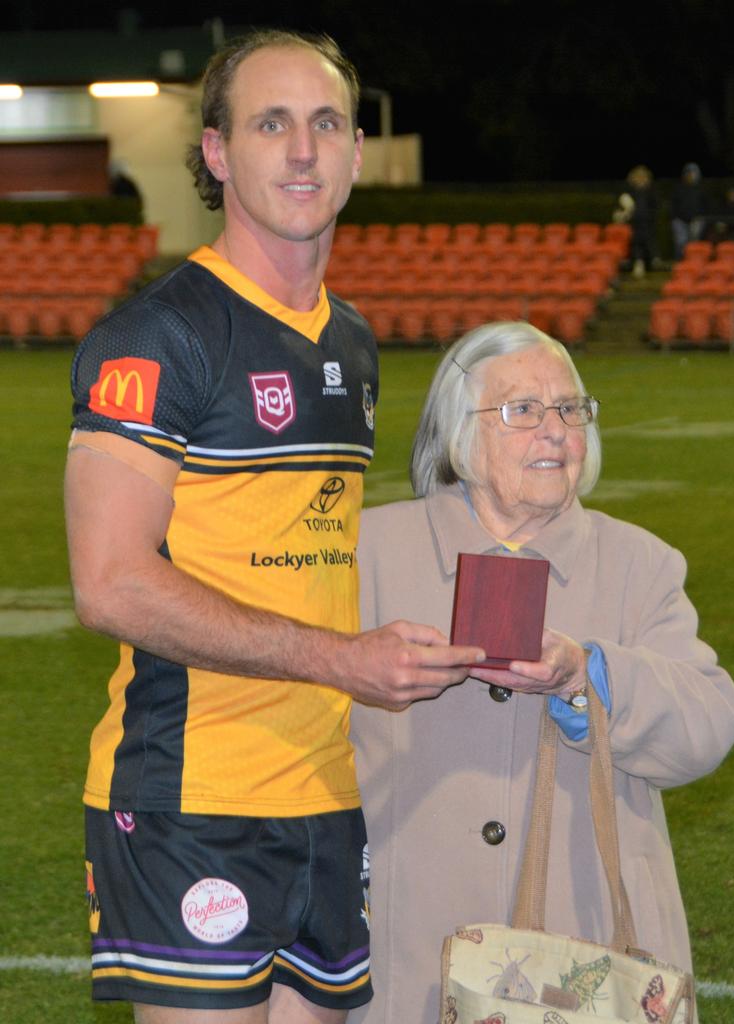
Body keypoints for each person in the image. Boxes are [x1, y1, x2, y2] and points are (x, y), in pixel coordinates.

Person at [65, 28, 484, 1024]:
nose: (303, 149)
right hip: (189, 798)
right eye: (271, 123)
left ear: (352, 153)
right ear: (217, 152)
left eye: (326, 122)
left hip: (326, 794)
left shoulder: (352, 342)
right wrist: (341, 659)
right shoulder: (159, 337)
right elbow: (110, 583)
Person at [347, 321, 734, 1024]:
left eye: (570, 409)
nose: (555, 430)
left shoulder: (641, 565)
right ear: (456, 432)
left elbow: (710, 725)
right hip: (407, 947)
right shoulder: (369, 554)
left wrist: (588, 675)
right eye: (523, 410)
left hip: (586, 950)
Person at [670, 162, 709, 259]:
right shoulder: (678, 188)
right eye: (688, 173)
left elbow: (706, 206)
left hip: (697, 220)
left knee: (694, 244)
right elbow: (673, 206)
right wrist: (674, 218)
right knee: (681, 243)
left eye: (693, 173)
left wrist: (702, 218)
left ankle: (692, 263)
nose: (691, 175)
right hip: (680, 221)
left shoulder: (702, 189)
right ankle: (680, 262)